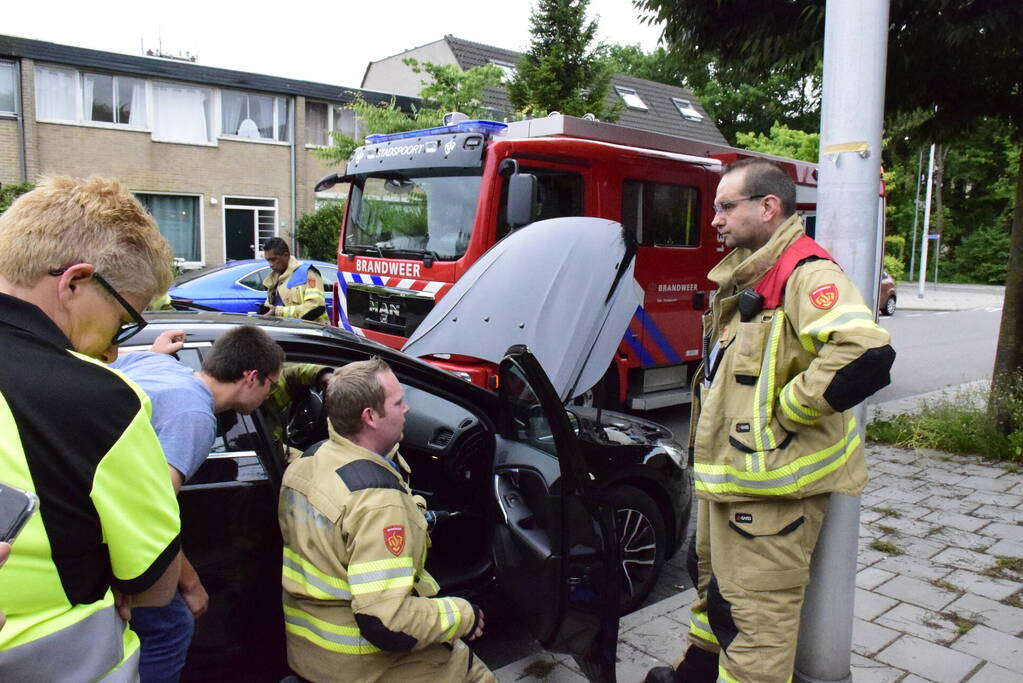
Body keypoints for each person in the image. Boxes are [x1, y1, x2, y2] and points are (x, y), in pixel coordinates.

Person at [647, 159, 896, 683]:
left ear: (768, 207)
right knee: (715, 593)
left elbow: (865, 352)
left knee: (756, 624)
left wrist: (788, 412)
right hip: (736, 484)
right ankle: (696, 672)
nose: (714, 219)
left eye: (725, 206)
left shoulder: (807, 274)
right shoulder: (753, 272)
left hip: (771, 493)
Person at [0, 176, 182, 680]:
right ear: (76, 282)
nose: (114, 348)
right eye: (123, 319)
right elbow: (154, 584)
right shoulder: (101, 399)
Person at [278, 358, 493, 682]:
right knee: (472, 673)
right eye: (398, 402)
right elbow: (388, 621)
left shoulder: (307, 462)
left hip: (311, 652)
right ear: (370, 417)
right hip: (366, 665)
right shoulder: (378, 504)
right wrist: (464, 614)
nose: (407, 409)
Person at [111, 325, 285, 682]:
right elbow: (151, 514)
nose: (271, 395)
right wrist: (191, 585)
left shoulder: (156, 363)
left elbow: (101, 363)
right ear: (251, 377)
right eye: (272, 385)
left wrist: (155, 351)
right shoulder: (195, 417)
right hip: (110, 529)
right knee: (172, 627)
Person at [258, 236, 327, 322]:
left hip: (311, 329)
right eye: (268, 260)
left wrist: (278, 312)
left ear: (286, 255)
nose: (270, 264)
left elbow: (315, 307)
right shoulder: (273, 280)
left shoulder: (307, 273)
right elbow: (271, 309)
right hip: (288, 329)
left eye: (273, 259)